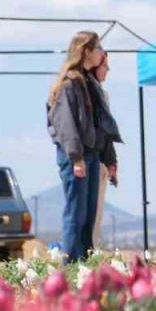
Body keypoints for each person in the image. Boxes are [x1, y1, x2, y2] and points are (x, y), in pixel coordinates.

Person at [47, 31, 122, 262]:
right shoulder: (69, 84)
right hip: (76, 157)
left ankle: (84, 264)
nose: (102, 52)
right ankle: (70, 264)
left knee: (89, 215)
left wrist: (110, 159)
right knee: (76, 214)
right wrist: (76, 157)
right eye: (98, 48)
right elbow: (66, 124)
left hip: (91, 154)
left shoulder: (90, 84)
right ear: (86, 51)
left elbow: (102, 125)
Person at [91, 52, 117, 248]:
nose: (108, 69)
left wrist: (111, 162)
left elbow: (107, 133)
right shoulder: (86, 92)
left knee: (97, 215)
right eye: (104, 65)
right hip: (88, 160)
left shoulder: (103, 95)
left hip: (101, 162)